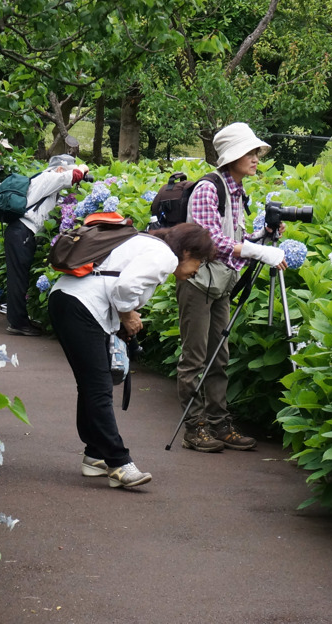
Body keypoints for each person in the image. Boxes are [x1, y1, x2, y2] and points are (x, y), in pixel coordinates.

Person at [48, 218, 216, 488]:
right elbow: (124, 289)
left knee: (92, 386)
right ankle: (118, 462)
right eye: (200, 263)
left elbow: (117, 283)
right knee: (98, 389)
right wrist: (127, 315)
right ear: (186, 252)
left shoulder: (148, 244)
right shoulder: (164, 256)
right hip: (81, 308)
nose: (197, 271)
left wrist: (125, 315)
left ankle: (95, 456)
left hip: (69, 301)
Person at [176, 122, 287, 453]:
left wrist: (263, 239)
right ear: (232, 156)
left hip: (221, 283)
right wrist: (257, 251)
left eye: (256, 152)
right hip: (197, 282)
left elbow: (234, 240)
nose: (255, 158)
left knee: (219, 357)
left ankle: (218, 422)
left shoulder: (238, 191)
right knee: (195, 358)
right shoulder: (208, 189)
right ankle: (194, 428)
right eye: (250, 152)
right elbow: (211, 240)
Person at [5, 154, 90, 336]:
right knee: (18, 279)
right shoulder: (50, 177)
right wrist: (82, 169)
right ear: (60, 168)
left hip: (19, 230)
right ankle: (18, 324)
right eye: (66, 170)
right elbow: (73, 176)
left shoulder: (43, 180)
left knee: (19, 276)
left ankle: (20, 320)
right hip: (22, 231)